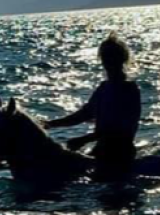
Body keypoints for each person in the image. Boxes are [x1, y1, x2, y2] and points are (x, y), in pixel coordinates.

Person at [44, 33, 141, 176]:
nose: (108, 62)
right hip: (101, 150)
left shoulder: (129, 90)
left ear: (122, 59)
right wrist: (49, 124)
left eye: (111, 57)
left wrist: (84, 139)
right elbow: (83, 114)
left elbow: (120, 130)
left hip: (120, 153)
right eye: (105, 57)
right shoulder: (104, 88)